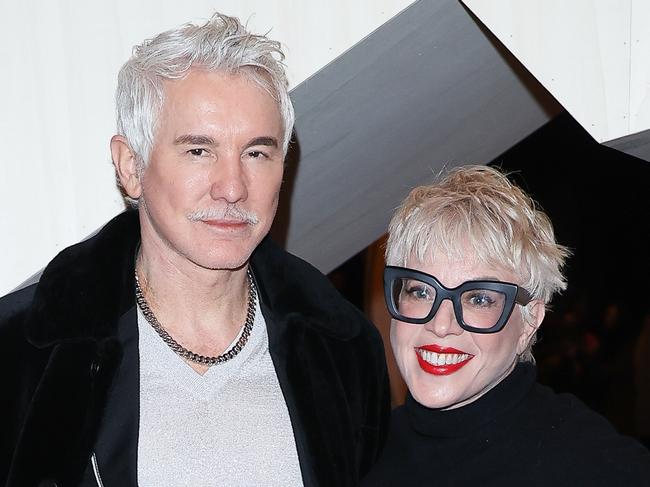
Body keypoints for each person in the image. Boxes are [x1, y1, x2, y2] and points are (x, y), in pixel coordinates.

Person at [0, 13, 389, 487]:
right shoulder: (23, 351)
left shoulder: (343, 348)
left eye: (257, 153)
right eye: (198, 151)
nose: (232, 188)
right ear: (131, 166)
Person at [361, 165, 650, 486]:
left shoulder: (594, 465)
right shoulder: (355, 453)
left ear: (530, 322)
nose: (441, 325)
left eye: (479, 299)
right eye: (421, 291)